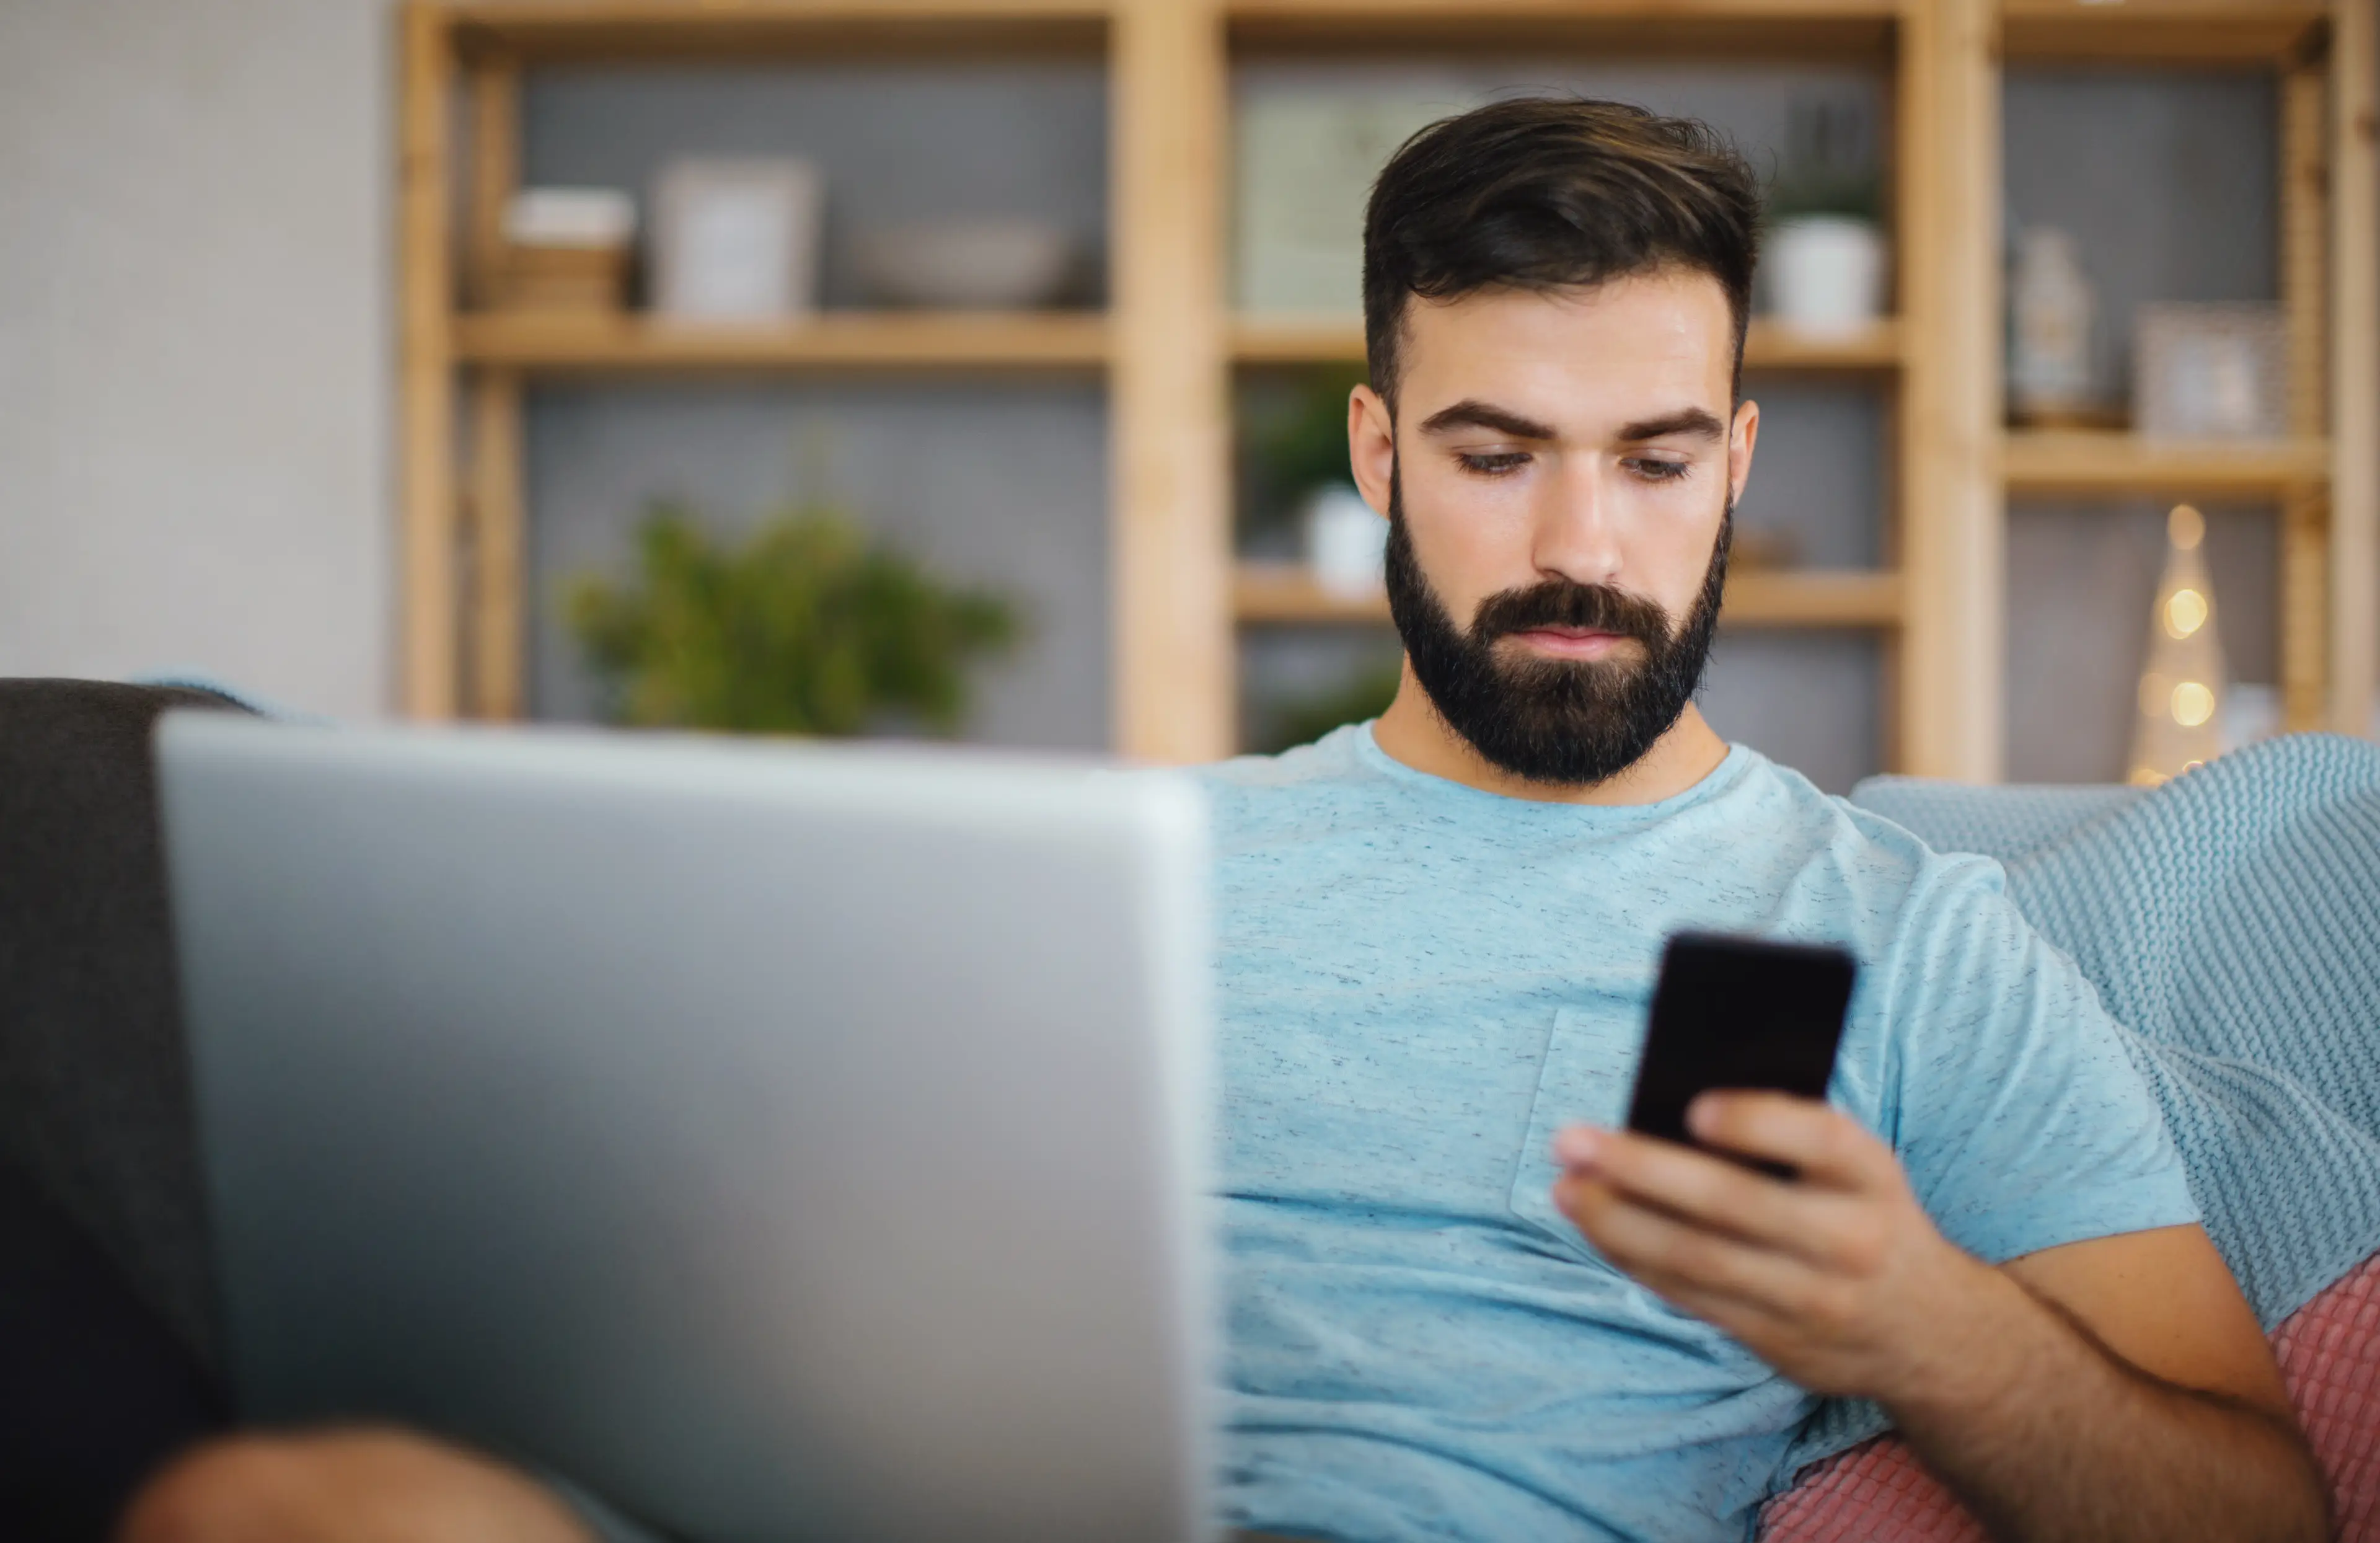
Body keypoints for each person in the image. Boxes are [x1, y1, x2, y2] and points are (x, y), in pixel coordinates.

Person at [118, 97, 2326, 1543]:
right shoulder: (1113, 869)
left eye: (1654, 462)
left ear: (1740, 463)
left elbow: (2259, 1512)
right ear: (1372, 453)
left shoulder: (1904, 936)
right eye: (1492, 453)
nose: (1581, 542)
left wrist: (1913, 1320)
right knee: (288, 1502)